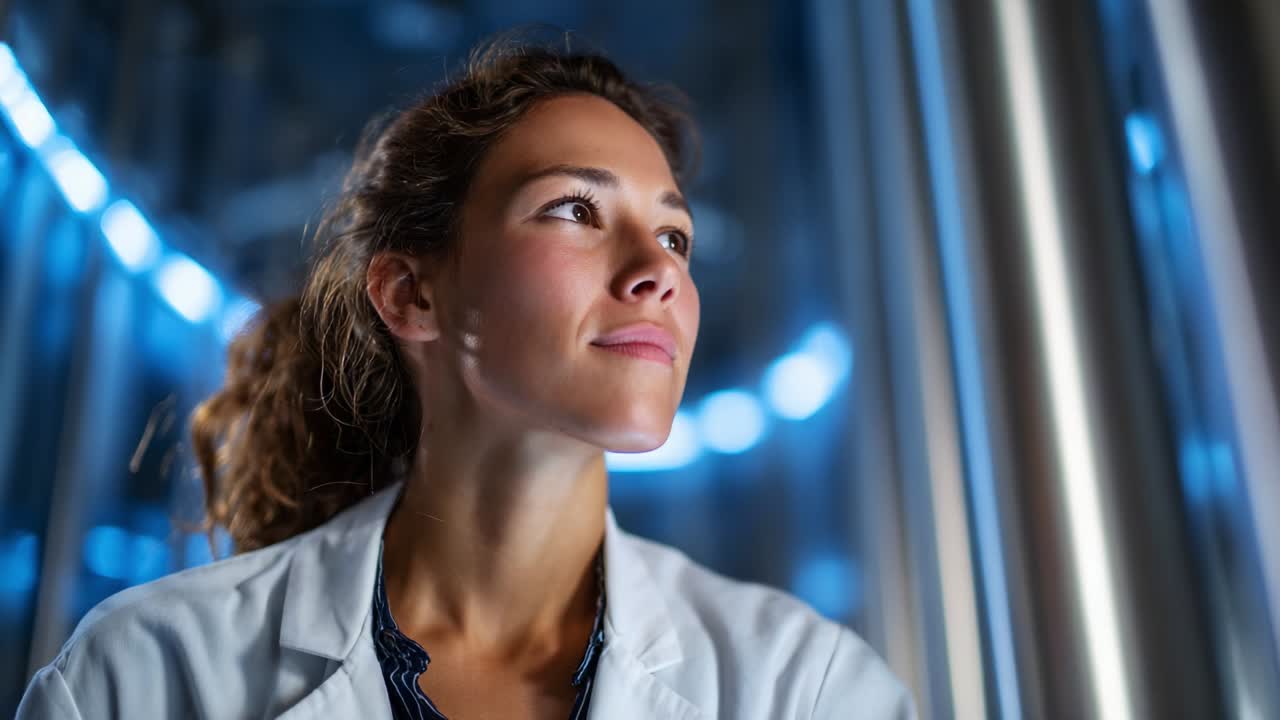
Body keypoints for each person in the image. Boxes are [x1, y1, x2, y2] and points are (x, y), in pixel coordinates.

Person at [17, 39, 914, 719]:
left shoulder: (808, 688)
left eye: (675, 235)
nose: (659, 271)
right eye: (575, 209)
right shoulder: (141, 676)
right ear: (413, 296)